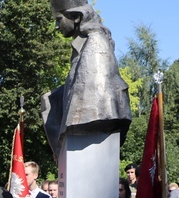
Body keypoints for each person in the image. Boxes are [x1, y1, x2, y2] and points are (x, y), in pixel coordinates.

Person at [41, 0, 131, 157]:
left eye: (59, 19)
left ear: (76, 16)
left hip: (95, 122)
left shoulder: (95, 42)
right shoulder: (82, 45)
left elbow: (92, 91)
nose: (56, 26)